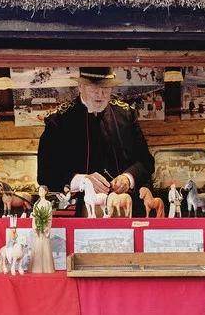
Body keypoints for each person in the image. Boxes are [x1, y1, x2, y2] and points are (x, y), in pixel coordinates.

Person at [37, 67, 155, 216]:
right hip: (78, 211)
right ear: (80, 87)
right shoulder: (58, 120)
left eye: (106, 88)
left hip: (123, 208)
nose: (101, 94)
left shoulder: (125, 114)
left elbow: (146, 161)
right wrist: (83, 182)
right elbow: (45, 174)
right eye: (94, 88)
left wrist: (128, 177)